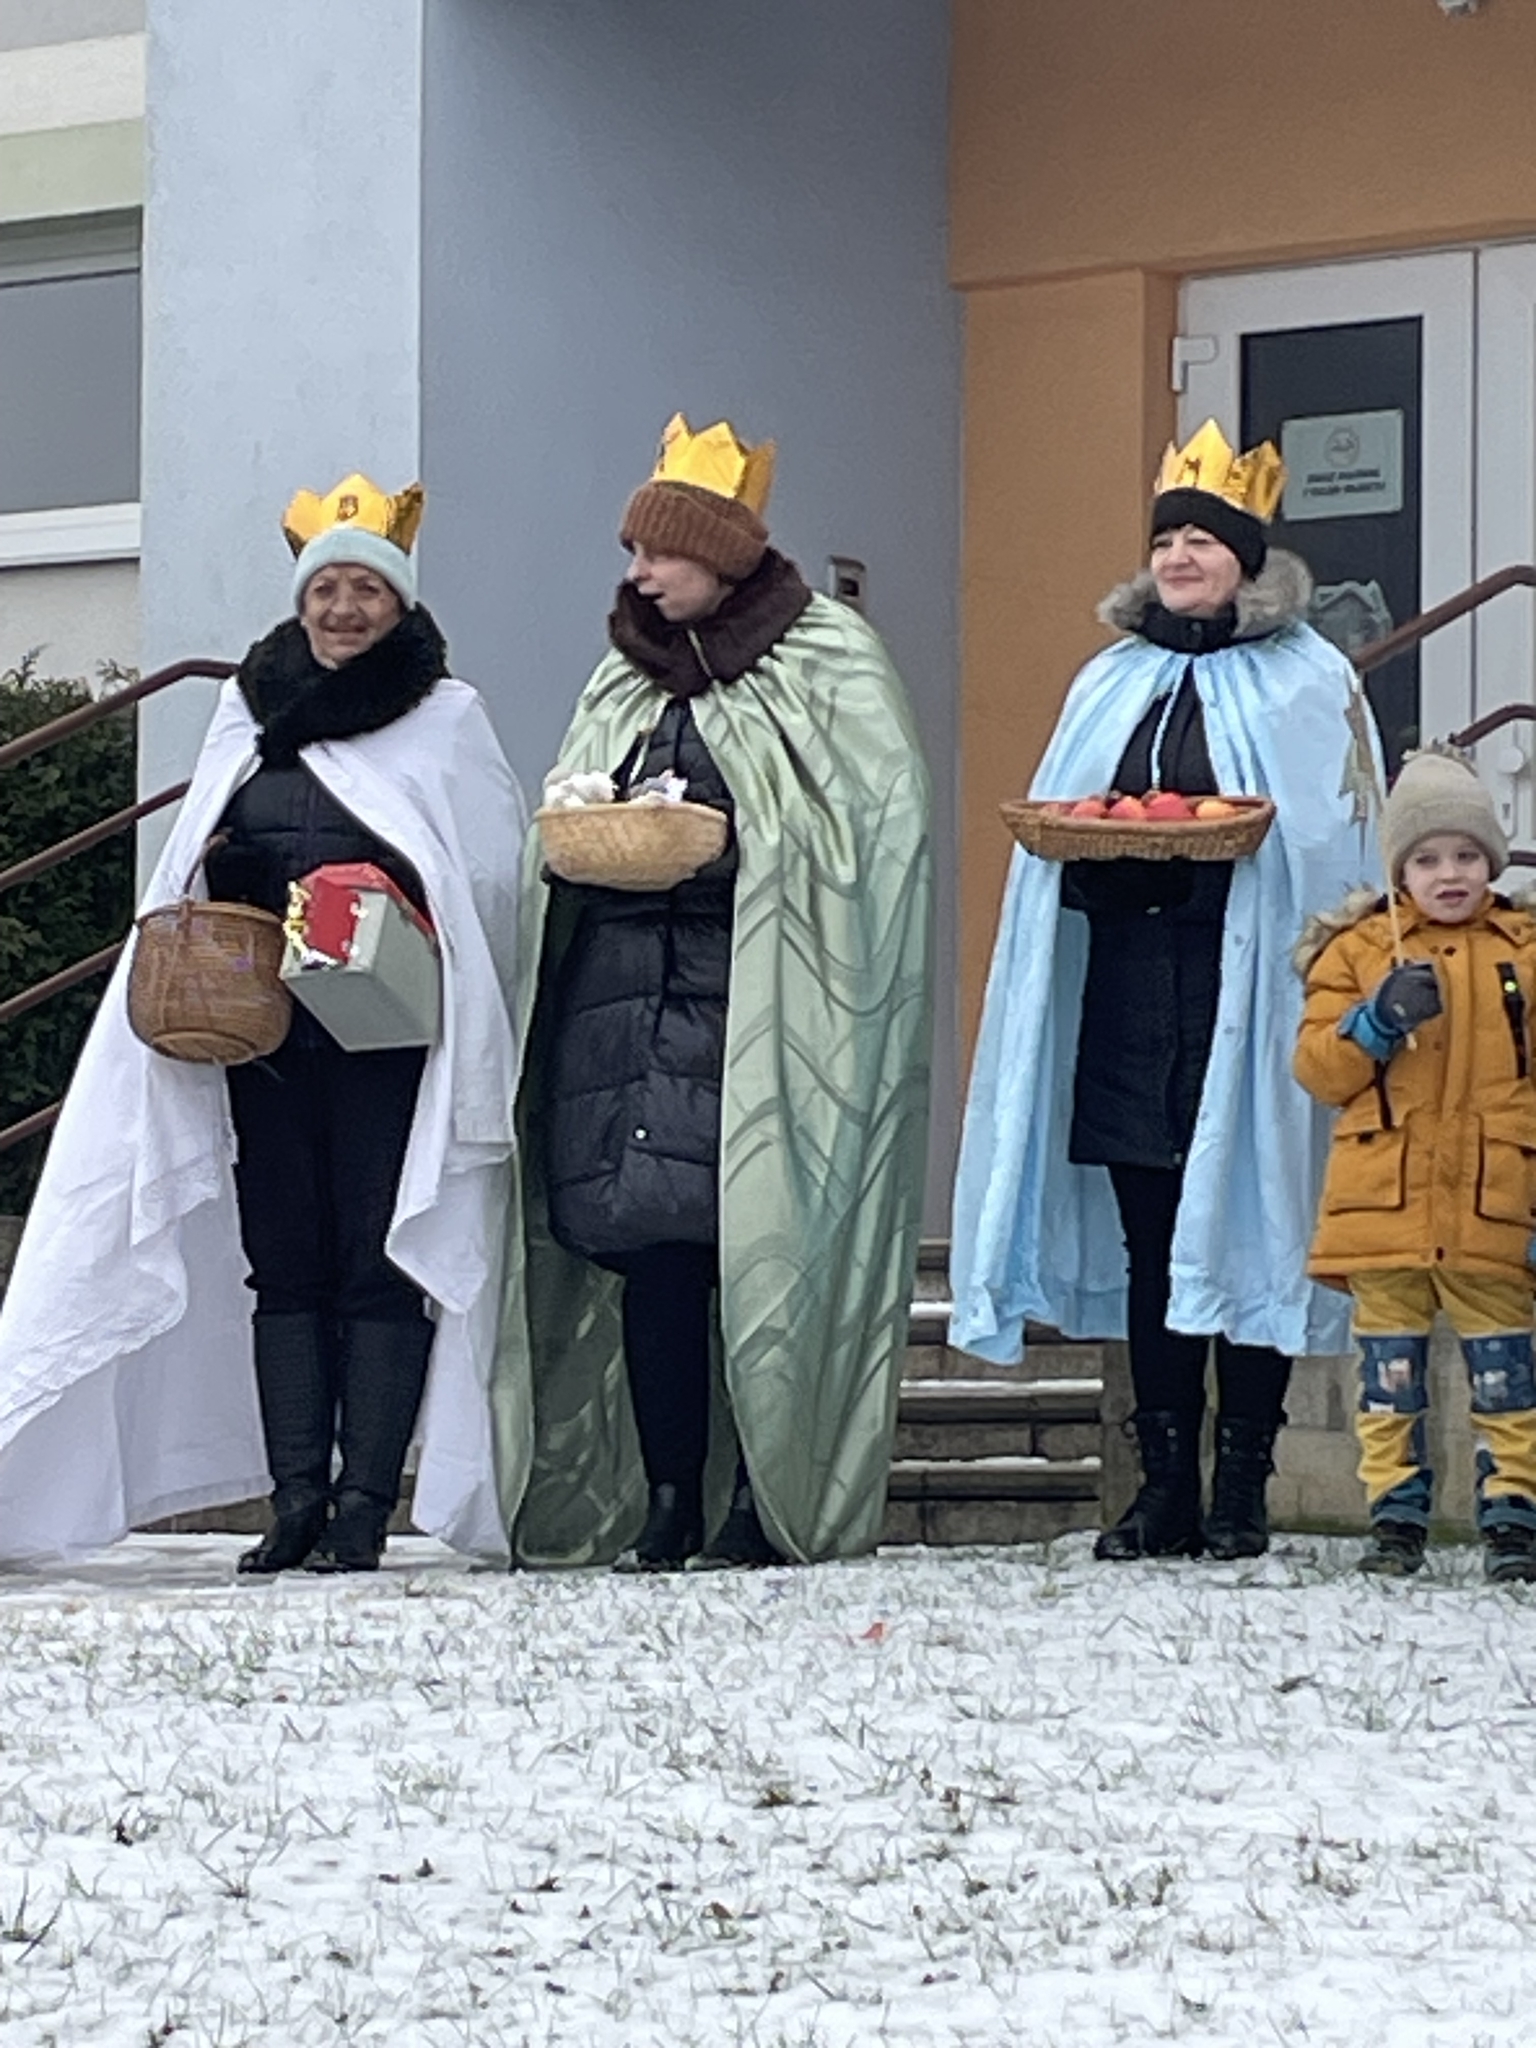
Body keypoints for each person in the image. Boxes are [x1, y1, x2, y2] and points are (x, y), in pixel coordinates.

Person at [0, 473, 527, 1572]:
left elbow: (484, 878)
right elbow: (200, 853)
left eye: (366, 589)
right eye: (325, 588)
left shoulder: (446, 717)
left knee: (378, 1260)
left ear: (400, 601)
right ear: (301, 599)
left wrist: (394, 906)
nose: (343, 608)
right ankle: (295, 1499)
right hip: (268, 1037)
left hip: (389, 1040)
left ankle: (364, 1501)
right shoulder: (248, 711)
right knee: (283, 1262)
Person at [501, 413, 932, 1572]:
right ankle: (665, 1498)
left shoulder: (826, 658)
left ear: (720, 555)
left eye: (661, 552)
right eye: (635, 553)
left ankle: (759, 1493)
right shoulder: (622, 674)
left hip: (766, 1007)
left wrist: (741, 842)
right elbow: (575, 802)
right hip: (624, 1003)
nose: (640, 573)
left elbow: (871, 832)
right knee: (655, 1258)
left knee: (760, 1252)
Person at [950, 419, 1379, 1562]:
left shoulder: (1310, 679)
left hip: (1253, 996)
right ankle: (1163, 1485)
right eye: (1167, 541)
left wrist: (1242, 875)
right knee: (1154, 1238)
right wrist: (1107, 862)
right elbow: (1066, 829)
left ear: (1246, 556)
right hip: (1133, 992)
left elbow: (1335, 844)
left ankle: (1243, 1480)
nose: (1181, 557)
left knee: (1255, 1223)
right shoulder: (1110, 680)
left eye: (1203, 539)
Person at [1294, 749, 1536, 1582]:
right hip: (1383, 1208)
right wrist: (1375, 1022)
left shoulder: (1524, 951)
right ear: (1400, 870)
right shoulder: (1362, 950)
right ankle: (1395, 1517)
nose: (1450, 874)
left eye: (1467, 855)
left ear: (1492, 861)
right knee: (1389, 1379)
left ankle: (1513, 1517)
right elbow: (1319, 1070)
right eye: (1428, 859)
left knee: (1507, 1378)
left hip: (1494, 1204)